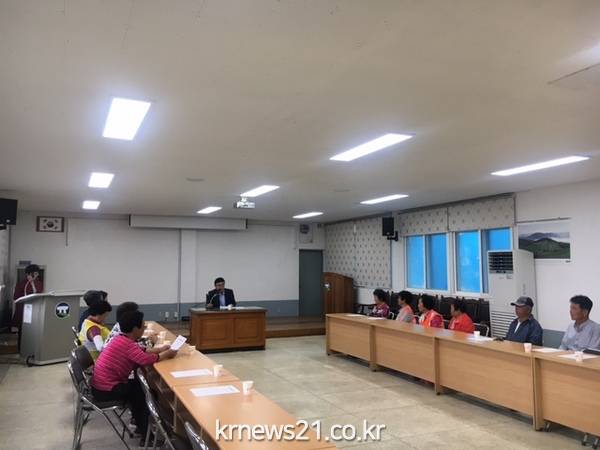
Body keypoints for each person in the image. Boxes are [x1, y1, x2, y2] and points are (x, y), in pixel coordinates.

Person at [91, 310, 177, 443]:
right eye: (143, 326)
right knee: (145, 395)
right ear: (135, 329)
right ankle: (146, 436)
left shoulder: (121, 339)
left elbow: (142, 350)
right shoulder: (126, 344)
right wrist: (167, 353)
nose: (144, 328)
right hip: (106, 390)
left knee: (140, 387)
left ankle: (139, 424)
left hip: (101, 386)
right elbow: (146, 359)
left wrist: (161, 349)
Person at [12, 264, 43, 331]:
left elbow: (38, 294)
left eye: (37, 273)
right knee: (22, 330)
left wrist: (32, 283)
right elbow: (15, 297)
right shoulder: (22, 283)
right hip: (23, 311)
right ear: (29, 274)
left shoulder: (39, 283)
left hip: (35, 312)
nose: (37, 275)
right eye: (35, 273)